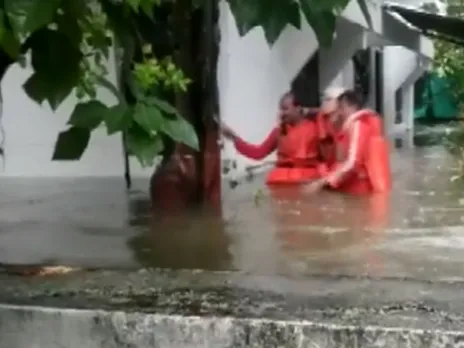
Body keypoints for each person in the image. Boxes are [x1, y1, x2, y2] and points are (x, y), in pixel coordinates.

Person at [221, 91, 323, 185]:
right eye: (280, 109)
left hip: (306, 180)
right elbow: (258, 153)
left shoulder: (315, 128)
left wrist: (309, 111)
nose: (281, 113)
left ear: (298, 108)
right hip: (281, 181)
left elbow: (329, 112)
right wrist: (233, 137)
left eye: (285, 109)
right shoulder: (279, 131)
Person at [305, 90, 391, 195]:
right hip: (356, 188)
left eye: (341, 108)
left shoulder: (358, 125)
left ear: (353, 106)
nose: (339, 112)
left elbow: (353, 163)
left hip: (361, 189)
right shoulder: (353, 125)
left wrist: (323, 182)